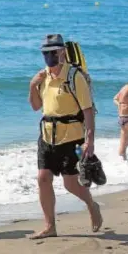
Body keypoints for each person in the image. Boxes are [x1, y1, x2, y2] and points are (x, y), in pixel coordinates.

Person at [27, 34, 102, 239]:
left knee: (70, 184)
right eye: (45, 53)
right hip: (47, 136)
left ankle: (91, 204)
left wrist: (90, 140)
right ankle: (50, 226)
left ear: (62, 53)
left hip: (72, 137)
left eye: (52, 52)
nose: (49, 57)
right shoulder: (43, 77)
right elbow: (35, 106)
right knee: (43, 178)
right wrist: (32, 85)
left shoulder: (74, 76)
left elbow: (87, 110)